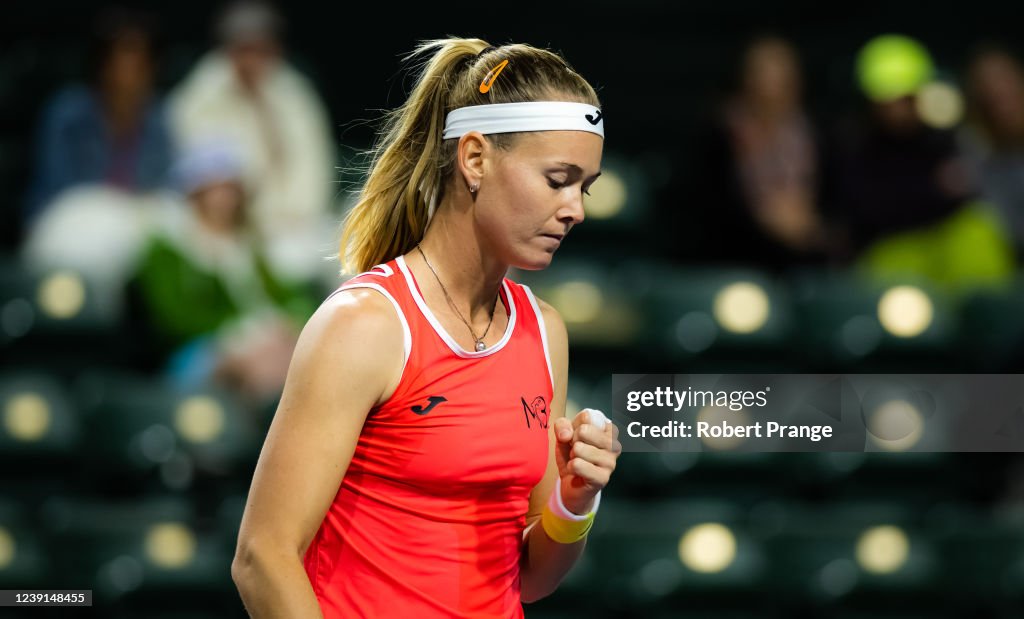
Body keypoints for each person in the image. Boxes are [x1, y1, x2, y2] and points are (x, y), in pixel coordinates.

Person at [231, 38, 622, 617]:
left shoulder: (545, 331)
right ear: (474, 158)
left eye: (582, 187)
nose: (576, 209)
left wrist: (575, 501)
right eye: (557, 179)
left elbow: (533, 580)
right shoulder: (364, 324)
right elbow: (263, 556)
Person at [167, 0, 337, 284]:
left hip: (297, 223)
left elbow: (316, 163)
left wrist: (300, 212)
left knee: (345, 256)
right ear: (227, 50)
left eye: (261, 49)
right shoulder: (200, 96)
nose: (252, 60)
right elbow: (204, 179)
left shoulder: (293, 91)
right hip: (232, 228)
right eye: (244, 50)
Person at [684, 35, 829, 270]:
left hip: (806, 267)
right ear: (745, 80)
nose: (772, 89)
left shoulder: (817, 136)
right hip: (735, 265)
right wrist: (762, 218)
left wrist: (813, 225)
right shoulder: (717, 137)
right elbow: (703, 211)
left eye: (782, 79)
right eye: (764, 76)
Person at [24, 7, 174, 224]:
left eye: (138, 66)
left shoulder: (163, 118)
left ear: (153, 68)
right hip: (71, 227)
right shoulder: (67, 115)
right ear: (102, 66)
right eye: (119, 64)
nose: (127, 77)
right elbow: (55, 192)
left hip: (137, 228)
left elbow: (167, 192)